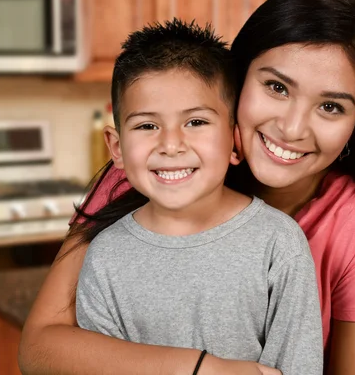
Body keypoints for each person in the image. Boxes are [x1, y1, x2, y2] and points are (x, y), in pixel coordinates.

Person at [19, 0, 355, 375]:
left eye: (331, 107)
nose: (293, 128)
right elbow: (39, 349)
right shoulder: (144, 177)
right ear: (237, 79)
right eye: (277, 87)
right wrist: (200, 369)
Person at [74, 19, 323, 375]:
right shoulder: (105, 256)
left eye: (196, 122)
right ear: (116, 148)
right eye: (147, 126)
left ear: (235, 141)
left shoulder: (278, 243)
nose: (171, 145)